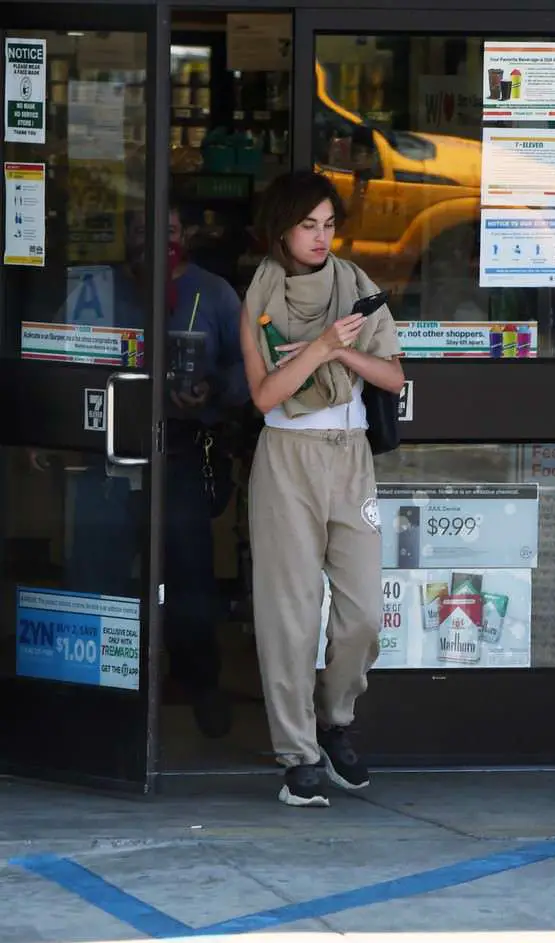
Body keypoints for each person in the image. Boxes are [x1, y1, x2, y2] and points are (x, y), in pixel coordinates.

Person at [36, 205, 249, 738]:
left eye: (169, 231)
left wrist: (213, 391)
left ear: (187, 235)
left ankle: (202, 687)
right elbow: (52, 356)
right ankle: (92, 698)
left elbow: (251, 368)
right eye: (141, 229)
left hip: (179, 456)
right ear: (124, 235)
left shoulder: (215, 294)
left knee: (190, 587)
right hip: (105, 459)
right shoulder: (96, 289)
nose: (155, 241)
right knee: (96, 579)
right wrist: (47, 424)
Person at [240, 170, 405, 807]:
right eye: (308, 225)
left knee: (363, 610)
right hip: (287, 451)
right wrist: (320, 348)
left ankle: (335, 720)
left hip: (351, 452)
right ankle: (297, 755)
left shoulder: (359, 286)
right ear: (281, 228)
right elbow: (264, 395)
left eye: (329, 224)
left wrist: (338, 353)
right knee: (288, 613)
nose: (320, 237)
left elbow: (393, 377)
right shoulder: (256, 295)